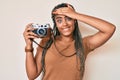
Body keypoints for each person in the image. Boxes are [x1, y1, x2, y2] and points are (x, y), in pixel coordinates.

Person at [23, 3, 116, 80]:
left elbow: (110, 29)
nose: (65, 24)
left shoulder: (84, 44)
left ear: (74, 20)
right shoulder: (47, 41)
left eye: (68, 18)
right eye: (59, 20)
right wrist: (29, 45)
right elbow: (32, 75)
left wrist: (75, 14)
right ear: (55, 24)